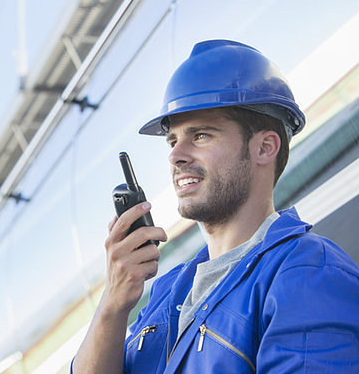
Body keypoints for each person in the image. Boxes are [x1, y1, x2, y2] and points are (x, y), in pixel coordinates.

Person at [71, 39, 359, 373]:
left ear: (265, 148)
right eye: (173, 140)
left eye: (201, 136)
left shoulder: (308, 274)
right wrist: (113, 303)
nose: (176, 156)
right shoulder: (168, 290)